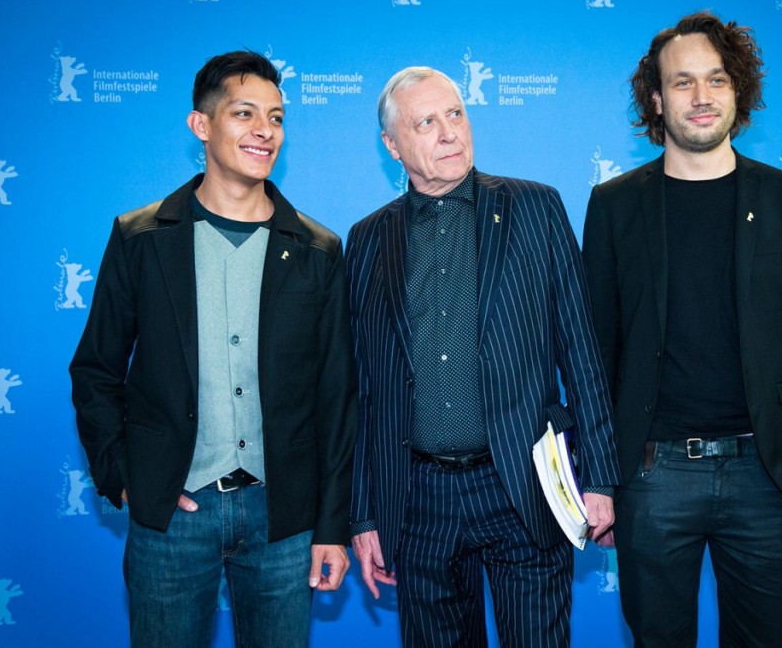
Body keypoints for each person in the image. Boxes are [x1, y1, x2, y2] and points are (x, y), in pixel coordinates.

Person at [582, 12, 782, 647]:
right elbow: (594, 351)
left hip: (770, 476)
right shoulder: (615, 205)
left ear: (739, 91)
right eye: (682, 83)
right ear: (656, 98)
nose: (702, 98)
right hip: (652, 477)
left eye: (717, 80)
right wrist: (598, 478)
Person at [69, 50, 357, 648]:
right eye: (245, 113)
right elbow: (96, 369)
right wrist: (127, 478)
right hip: (173, 515)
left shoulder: (317, 249)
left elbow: (337, 398)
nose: (264, 131)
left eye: (276, 118)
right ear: (201, 125)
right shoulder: (141, 239)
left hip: (284, 521)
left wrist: (331, 526)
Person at [345, 66, 620, 647]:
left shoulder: (535, 208)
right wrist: (365, 515)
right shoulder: (367, 238)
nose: (449, 132)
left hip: (522, 485)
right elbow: (362, 390)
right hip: (418, 500)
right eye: (426, 122)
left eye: (456, 114)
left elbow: (581, 351)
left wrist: (600, 477)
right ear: (392, 145)